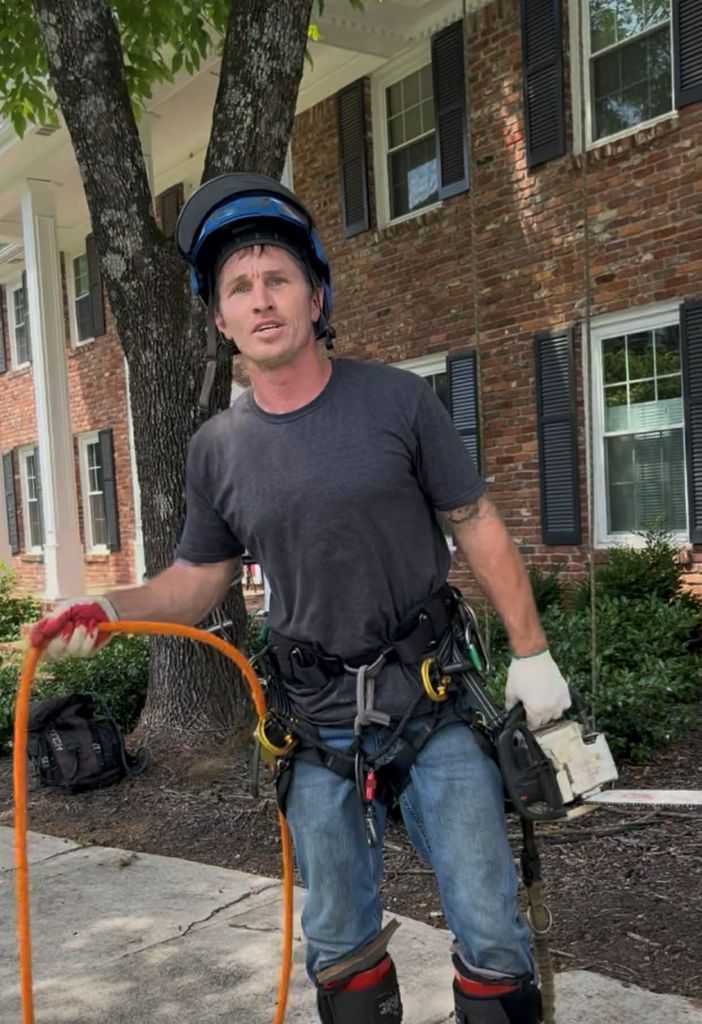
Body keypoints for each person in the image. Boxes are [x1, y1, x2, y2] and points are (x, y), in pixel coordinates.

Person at [31, 173, 570, 1024]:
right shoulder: (219, 449)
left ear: (316, 295)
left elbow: (477, 523)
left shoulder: (397, 400)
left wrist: (533, 654)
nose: (261, 300)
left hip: (428, 697)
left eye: (277, 278)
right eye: (238, 287)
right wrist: (109, 608)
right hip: (315, 717)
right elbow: (199, 579)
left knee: (492, 933)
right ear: (219, 318)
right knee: (338, 946)